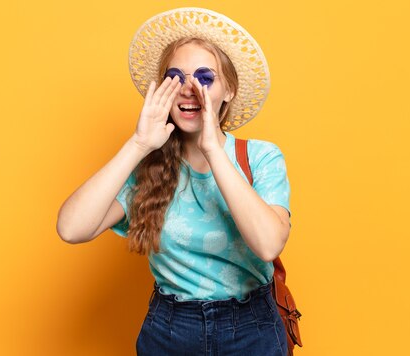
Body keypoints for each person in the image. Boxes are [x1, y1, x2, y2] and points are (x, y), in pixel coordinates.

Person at [57, 7, 292, 355]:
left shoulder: (259, 157)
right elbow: (71, 228)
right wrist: (137, 145)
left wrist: (214, 150)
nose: (189, 89)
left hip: (251, 329)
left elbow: (269, 245)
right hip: (170, 330)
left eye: (204, 78)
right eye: (175, 78)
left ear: (229, 90)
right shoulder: (147, 167)